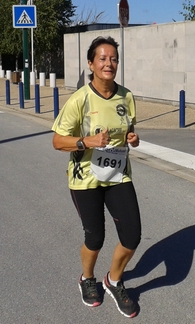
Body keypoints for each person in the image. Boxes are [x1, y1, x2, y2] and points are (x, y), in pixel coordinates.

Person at [52, 36, 141, 319]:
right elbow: (57, 141)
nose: (109, 64)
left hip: (117, 174)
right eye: (102, 59)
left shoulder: (126, 96)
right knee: (96, 236)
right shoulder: (80, 99)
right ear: (91, 64)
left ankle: (113, 280)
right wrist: (86, 142)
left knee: (132, 235)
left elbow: (129, 129)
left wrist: (133, 138)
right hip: (85, 178)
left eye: (113, 58)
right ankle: (87, 278)